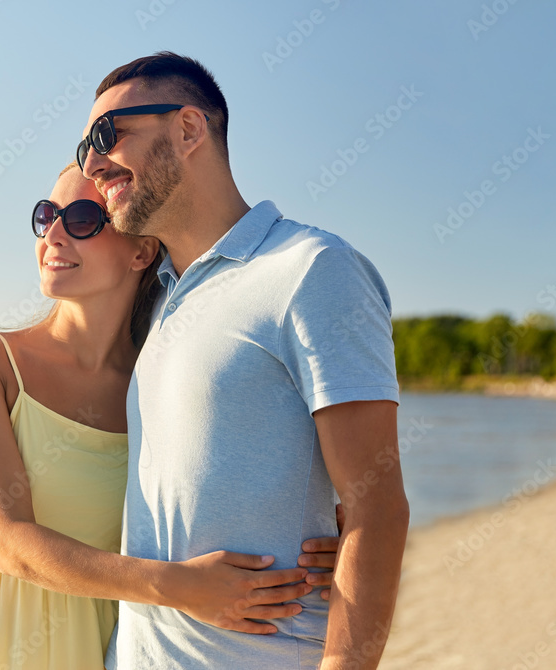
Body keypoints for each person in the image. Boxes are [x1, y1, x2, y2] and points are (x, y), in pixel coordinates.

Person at [0, 162, 343, 670]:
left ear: (142, 250)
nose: (52, 234)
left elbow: (227, 479)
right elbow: (11, 545)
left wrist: (324, 538)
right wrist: (185, 588)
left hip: (113, 648)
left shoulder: (161, 383)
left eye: (81, 220)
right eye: (47, 215)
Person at [77, 53, 410, 670]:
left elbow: (377, 505)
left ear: (187, 128)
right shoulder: (157, 300)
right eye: (84, 149)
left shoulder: (312, 270)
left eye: (106, 136)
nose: (92, 163)